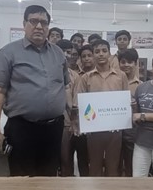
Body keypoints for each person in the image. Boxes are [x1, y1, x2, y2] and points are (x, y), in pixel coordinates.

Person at [0, 5, 69, 176]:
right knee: (22, 179)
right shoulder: (8, 52)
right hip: (22, 128)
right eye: (34, 21)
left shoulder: (58, 53)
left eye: (44, 23)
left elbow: (65, 87)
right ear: (24, 24)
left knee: (48, 176)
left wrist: (73, 119)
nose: (39, 26)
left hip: (53, 128)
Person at [74, 39, 129, 177]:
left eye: (104, 51)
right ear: (92, 55)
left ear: (110, 54)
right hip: (94, 129)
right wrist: (81, 124)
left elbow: (126, 101)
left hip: (115, 129)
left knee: (113, 166)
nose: (101, 54)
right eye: (97, 52)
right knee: (95, 165)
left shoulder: (121, 76)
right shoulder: (86, 78)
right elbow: (79, 104)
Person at [56, 39, 88, 177]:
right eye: (64, 52)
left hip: (72, 125)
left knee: (75, 161)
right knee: (59, 162)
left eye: (70, 52)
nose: (67, 55)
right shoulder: (46, 73)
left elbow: (75, 101)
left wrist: (74, 122)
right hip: (52, 123)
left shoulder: (74, 75)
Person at [118, 48, 141, 177]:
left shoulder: (142, 86)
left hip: (132, 131)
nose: (126, 65)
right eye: (123, 62)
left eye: (130, 62)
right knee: (113, 164)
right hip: (114, 130)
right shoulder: (113, 82)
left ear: (136, 63)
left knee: (130, 164)